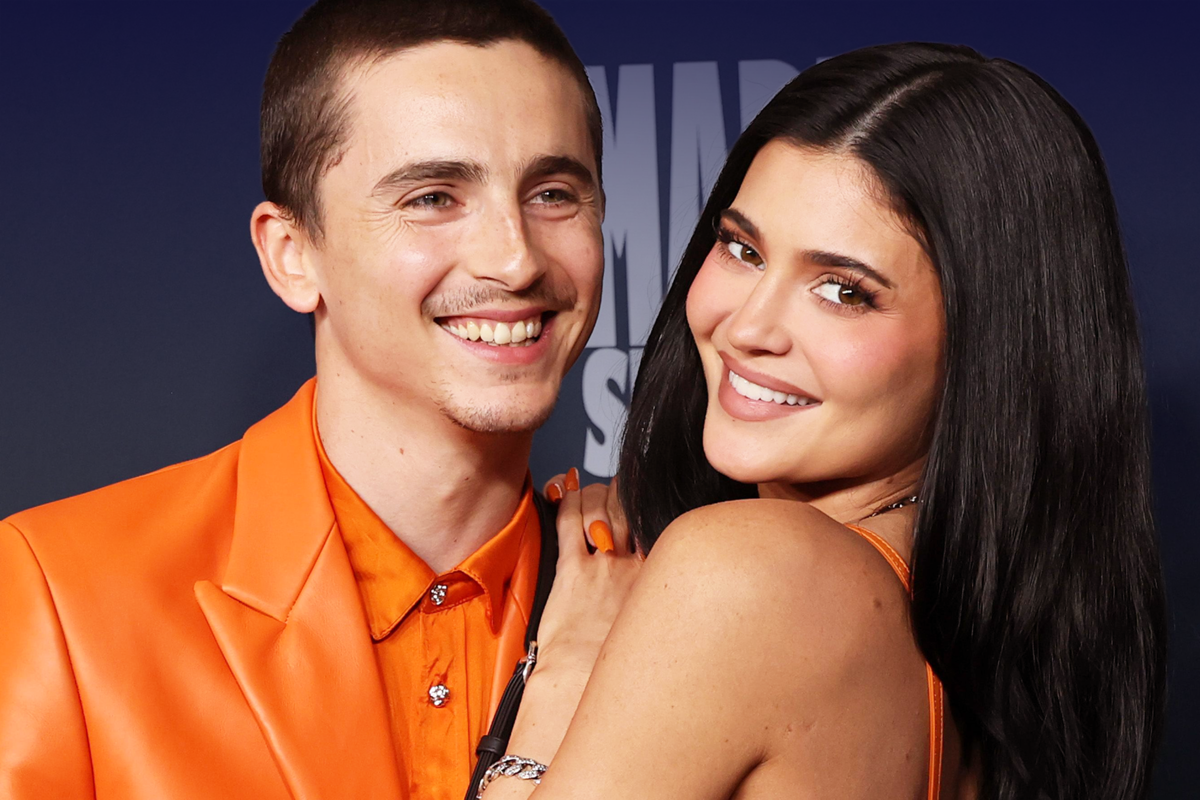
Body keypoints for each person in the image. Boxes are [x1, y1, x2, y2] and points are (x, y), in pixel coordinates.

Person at [479, 42, 1167, 800]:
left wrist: (565, 669)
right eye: (742, 249)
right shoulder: (978, 639)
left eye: (843, 290)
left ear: (989, 344)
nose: (748, 327)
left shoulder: (745, 573)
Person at [0, 2, 641, 799]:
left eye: (552, 193)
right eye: (432, 197)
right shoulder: (61, 594)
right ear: (292, 254)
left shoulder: (670, 607)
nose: (515, 259)